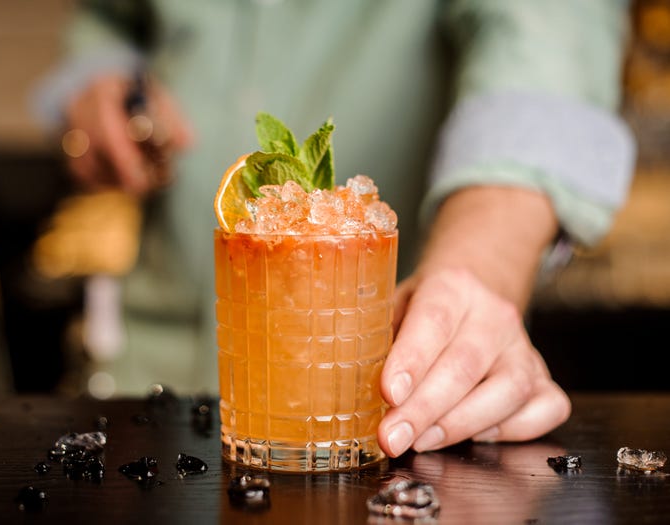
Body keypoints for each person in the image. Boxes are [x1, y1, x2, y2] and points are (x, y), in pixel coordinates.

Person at [34, 0, 635, 458]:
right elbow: (110, 19)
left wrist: (477, 273)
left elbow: (547, 46)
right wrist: (101, 79)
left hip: (383, 421)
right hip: (143, 386)